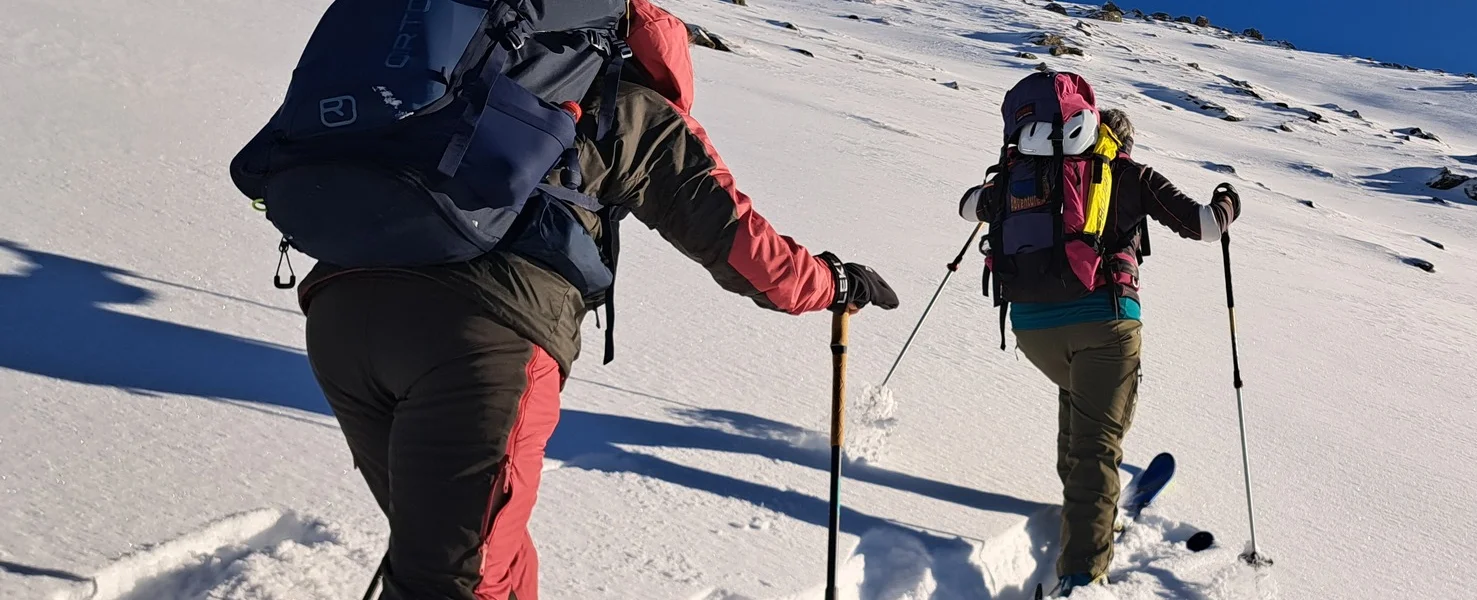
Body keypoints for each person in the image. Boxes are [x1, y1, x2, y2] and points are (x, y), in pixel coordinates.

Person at [256, 3, 899, 599]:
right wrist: (832, 283)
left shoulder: (461, 62)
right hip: (482, 342)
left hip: (340, 315)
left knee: (468, 563)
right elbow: (748, 253)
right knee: (463, 577)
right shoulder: (626, 102)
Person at [960, 107, 1239, 596]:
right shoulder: (1128, 173)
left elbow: (968, 207)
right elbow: (1206, 226)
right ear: (1123, 142)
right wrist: (1228, 202)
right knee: (1098, 445)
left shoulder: (1033, 172)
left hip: (1030, 326)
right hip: (1105, 323)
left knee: (1080, 401)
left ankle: (1087, 503)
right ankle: (1082, 575)